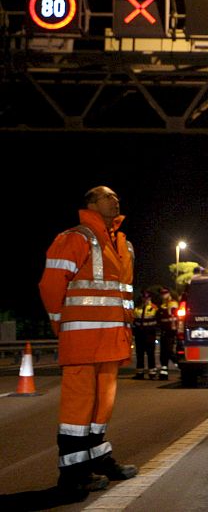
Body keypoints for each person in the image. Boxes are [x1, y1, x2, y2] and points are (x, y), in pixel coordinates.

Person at [38, 186, 139, 502]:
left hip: (111, 341)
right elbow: (51, 285)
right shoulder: (76, 237)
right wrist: (62, 324)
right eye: (106, 196)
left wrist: (126, 330)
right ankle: (71, 477)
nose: (115, 200)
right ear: (90, 204)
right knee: (77, 410)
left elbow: (122, 294)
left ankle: (97, 461)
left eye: (116, 197)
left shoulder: (123, 245)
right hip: (83, 339)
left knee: (101, 407)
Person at [132, 290, 159, 380]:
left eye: (147, 297)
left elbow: (157, 321)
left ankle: (152, 373)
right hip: (139, 335)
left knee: (150, 354)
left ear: (150, 298)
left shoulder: (154, 308)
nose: (145, 299)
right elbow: (134, 321)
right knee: (139, 354)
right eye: (144, 297)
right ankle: (140, 373)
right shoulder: (137, 309)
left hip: (150, 335)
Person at [156, 287, 178, 380]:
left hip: (171, 331)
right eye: (162, 293)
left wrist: (174, 327)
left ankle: (180, 365)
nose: (163, 295)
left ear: (169, 293)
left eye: (165, 293)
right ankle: (163, 372)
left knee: (169, 351)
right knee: (163, 352)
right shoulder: (162, 305)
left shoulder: (172, 303)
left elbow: (174, 316)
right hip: (164, 331)